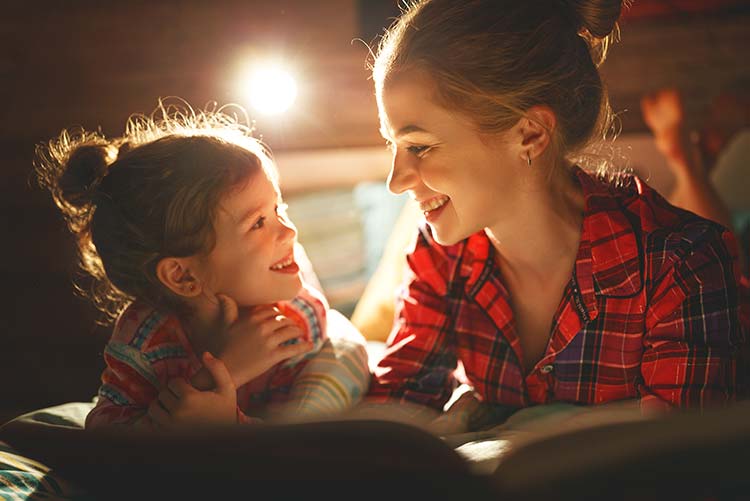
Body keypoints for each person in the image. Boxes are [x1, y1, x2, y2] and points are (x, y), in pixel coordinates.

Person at [362, 0, 746, 433]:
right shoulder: (437, 255)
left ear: (530, 135)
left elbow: (679, 466)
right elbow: (394, 415)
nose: (395, 181)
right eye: (392, 146)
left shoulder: (678, 265)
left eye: (419, 146)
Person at [33, 102, 369, 429]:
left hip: (280, 409)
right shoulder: (145, 337)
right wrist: (222, 373)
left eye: (279, 210)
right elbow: (108, 431)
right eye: (258, 223)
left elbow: (283, 413)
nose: (290, 231)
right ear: (182, 275)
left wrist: (227, 416)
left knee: (347, 351)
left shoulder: (292, 315)